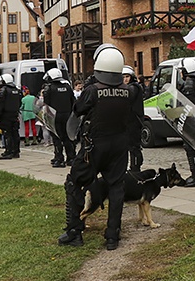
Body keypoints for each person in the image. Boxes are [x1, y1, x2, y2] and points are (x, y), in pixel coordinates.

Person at [58, 46, 143, 250]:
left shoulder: (93, 91)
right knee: (116, 188)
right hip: (119, 146)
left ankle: (74, 231)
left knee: (74, 183)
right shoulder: (129, 91)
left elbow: (78, 110)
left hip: (94, 148)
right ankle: (113, 236)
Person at [43, 68, 76, 168]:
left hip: (55, 116)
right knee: (67, 137)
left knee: (56, 138)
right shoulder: (67, 86)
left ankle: (59, 158)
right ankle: (71, 158)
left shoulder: (49, 88)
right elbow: (73, 100)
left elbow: (46, 103)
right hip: (67, 115)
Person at [0, 74, 23, 160]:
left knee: (7, 133)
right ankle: (16, 151)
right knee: (15, 133)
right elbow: (20, 102)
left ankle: (9, 151)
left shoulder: (4, 90)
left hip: (5, 115)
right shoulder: (17, 90)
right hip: (14, 114)